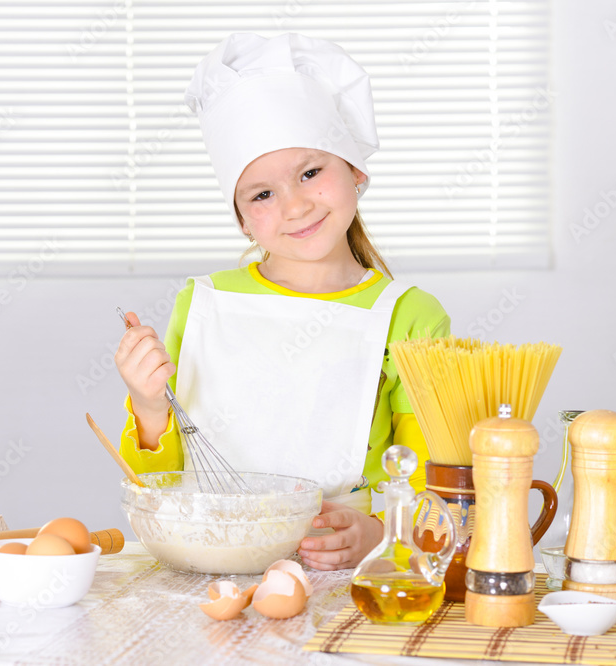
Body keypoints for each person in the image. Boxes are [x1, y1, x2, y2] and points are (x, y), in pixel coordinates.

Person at [114, 33, 450, 571]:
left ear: (355, 171)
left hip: (340, 571)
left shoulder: (411, 315)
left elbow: (430, 482)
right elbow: (166, 474)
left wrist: (378, 534)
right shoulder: (203, 302)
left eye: (311, 172)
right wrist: (150, 404)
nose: (294, 206)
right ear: (242, 217)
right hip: (208, 562)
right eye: (262, 194)